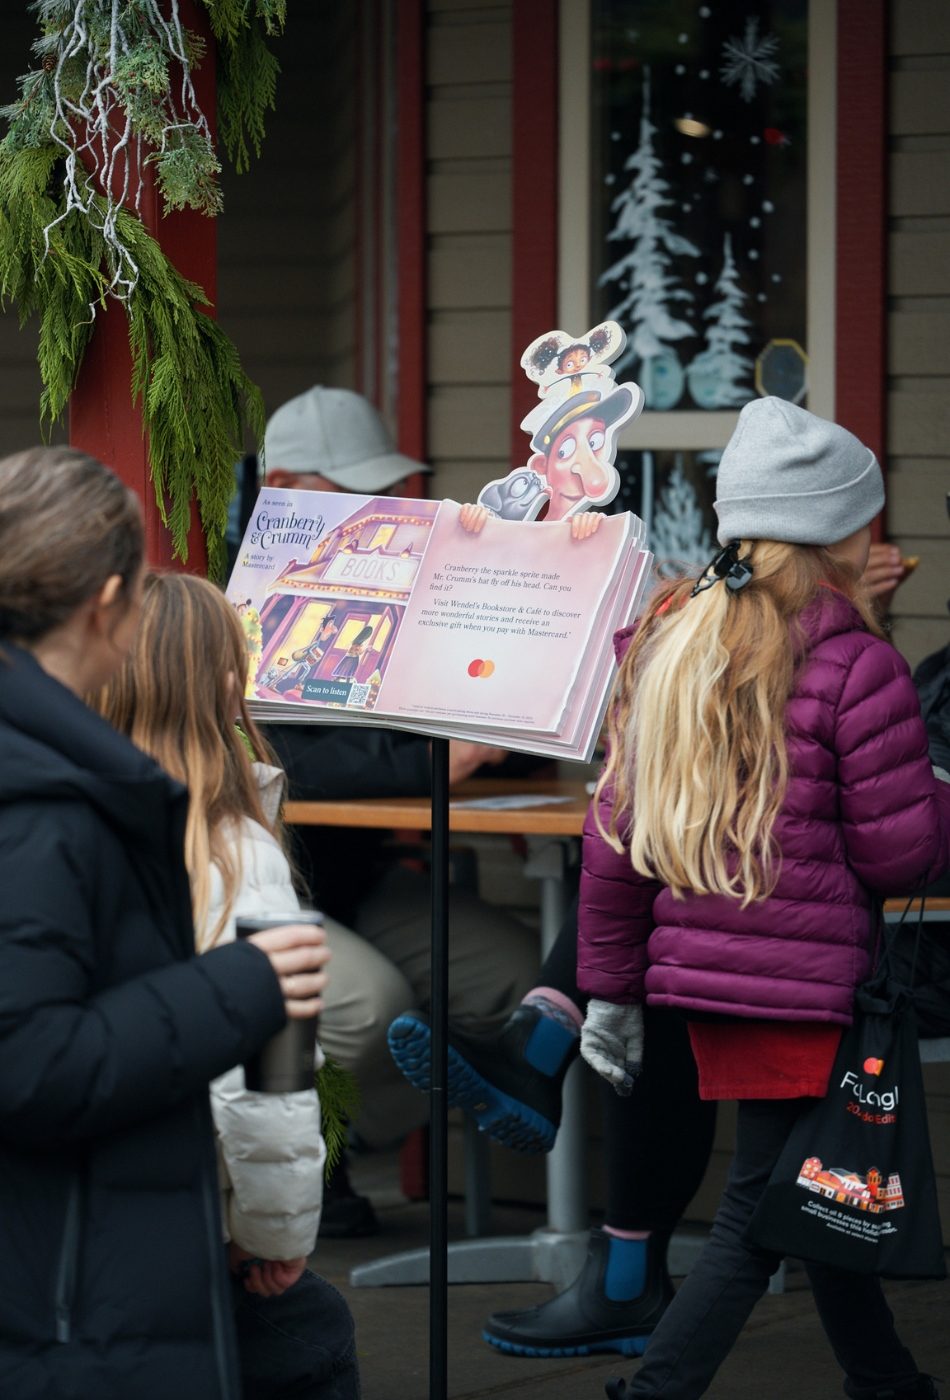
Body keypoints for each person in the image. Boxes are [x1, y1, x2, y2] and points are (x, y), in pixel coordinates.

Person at [577, 397, 950, 1400]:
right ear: (839, 532)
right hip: (810, 988)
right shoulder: (853, 662)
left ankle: (884, 1377)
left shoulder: (672, 651)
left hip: (707, 984)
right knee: (760, 1204)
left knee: (805, 1184)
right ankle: (655, 1388)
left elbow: (612, 842)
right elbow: (900, 849)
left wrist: (608, 990)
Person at [0, 447, 327, 1400]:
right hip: (63, 1297)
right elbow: (29, 1058)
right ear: (105, 602)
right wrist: (242, 986)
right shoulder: (44, 806)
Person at [258, 386, 539, 1226]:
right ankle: (304, 1161)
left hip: (356, 877)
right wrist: (433, 762)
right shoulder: (241, 598)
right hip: (265, 888)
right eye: (345, 491)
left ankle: (341, 1140)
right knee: (373, 1006)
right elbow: (287, 760)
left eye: (377, 491)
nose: (368, 510)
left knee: (522, 978)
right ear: (280, 485)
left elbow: (481, 726)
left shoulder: (401, 584)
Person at [94, 572, 359, 1399]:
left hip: (78, 1214)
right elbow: (268, 1080)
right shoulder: (239, 858)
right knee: (313, 1335)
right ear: (225, 687)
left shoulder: (65, 820)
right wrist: (276, 1233)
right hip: (189, 1224)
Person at [388, 896, 716, 1357]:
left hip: (804, 919)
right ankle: (627, 1285)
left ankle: (534, 1050)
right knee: (643, 940)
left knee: (653, 873)